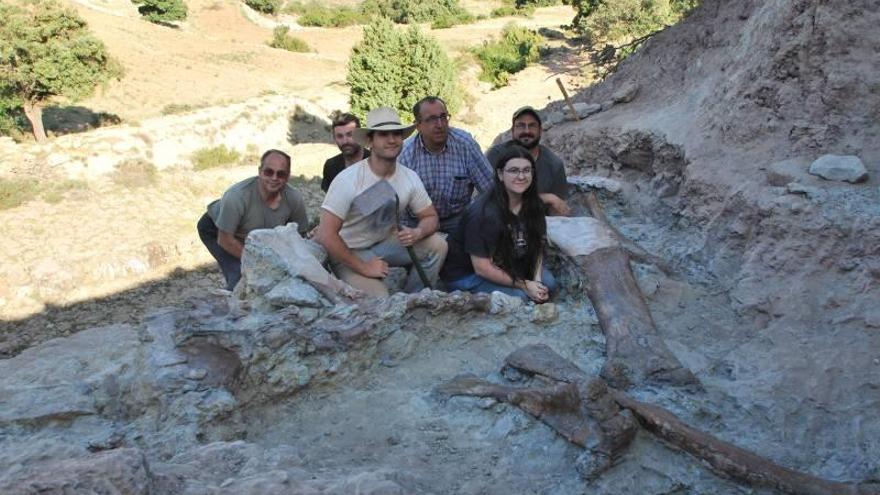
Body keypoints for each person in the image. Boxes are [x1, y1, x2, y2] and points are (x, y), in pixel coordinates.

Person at [315, 107, 448, 297]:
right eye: (383, 135)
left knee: (438, 245)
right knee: (380, 301)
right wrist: (365, 268)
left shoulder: (409, 177)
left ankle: (414, 299)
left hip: (384, 242)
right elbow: (326, 235)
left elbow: (430, 216)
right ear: (370, 141)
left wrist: (417, 232)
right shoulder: (348, 180)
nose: (392, 140)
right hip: (348, 250)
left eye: (396, 134)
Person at [441, 145, 557, 303]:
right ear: (501, 174)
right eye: (514, 170)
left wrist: (535, 281)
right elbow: (482, 268)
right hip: (469, 274)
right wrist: (525, 285)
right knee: (521, 299)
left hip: (508, 261)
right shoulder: (483, 213)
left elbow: (537, 245)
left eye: (526, 170)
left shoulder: (533, 205)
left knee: (548, 285)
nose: (521, 176)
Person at [197, 149, 308, 290]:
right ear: (260, 171)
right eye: (269, 172)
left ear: (287, 177)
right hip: (218, 231)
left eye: (281, 174)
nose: (274, 178)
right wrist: (259, 264)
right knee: (242, 277)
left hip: (253, 234)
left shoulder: (294, 199)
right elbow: (225, 239)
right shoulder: (237, 196)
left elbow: (300, 237)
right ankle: (235, 305)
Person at [398, 96, 494, 234]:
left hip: (458, 220)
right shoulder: (405, 154)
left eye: (443, 117)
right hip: (417, 224)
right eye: (431, 119)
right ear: (418, 126)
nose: (440, 124)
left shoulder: (465, 144)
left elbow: (490, 188)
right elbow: (397, 206)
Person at [486, 106, 571, 216]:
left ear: (540, 131)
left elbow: (559, 207)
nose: (526, 131)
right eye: (521, 126)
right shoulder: (496, 156)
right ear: (512, 131)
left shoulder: (554, 164)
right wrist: (546, 198)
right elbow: (490, 198)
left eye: (532, 126)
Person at [321, 112, 371, 192]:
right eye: (340, 136)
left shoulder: (377, 163)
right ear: (334, 138)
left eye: (350, 135)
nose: (345, 141)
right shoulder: (331, 166)